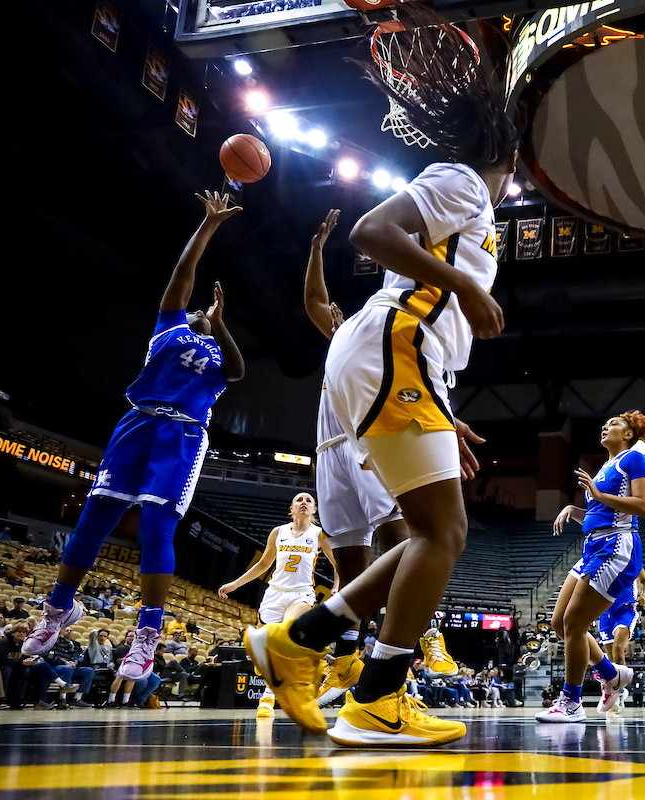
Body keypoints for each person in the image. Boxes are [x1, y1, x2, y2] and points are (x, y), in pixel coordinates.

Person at [243, 7, 518, 746]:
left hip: (399, 358)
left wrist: (444, 412)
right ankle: (377, 697)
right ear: (507, 159)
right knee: (443, 531)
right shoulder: (464, 182)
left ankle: (301, 640)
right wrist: (465, 288)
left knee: (428, 530)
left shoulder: (469, 199)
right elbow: (372, 233)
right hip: (393, 346)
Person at [23, 191, 245, 683]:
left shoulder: (216, 357)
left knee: (155, 530)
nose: (198, 312)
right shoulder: (168, 329)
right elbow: (183, 274)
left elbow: (238, 371)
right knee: (93, 520)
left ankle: (147, 635)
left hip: (181, 435)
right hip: (138, 422)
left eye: (205, 316)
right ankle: (58, 609)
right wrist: (208, 225)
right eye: (197, 311)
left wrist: (222, 325)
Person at [302, 209, 460, 706]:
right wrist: (316, 251)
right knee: (352, 567)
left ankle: (424, 638)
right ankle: (347, 658)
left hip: (370, 441)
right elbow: (314, 301)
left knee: (404, 539)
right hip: (329, 453)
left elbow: (322, 304)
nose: (335, 317)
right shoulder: (343, 344)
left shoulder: (377, 341)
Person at [537, 411, 645, 723]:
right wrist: (574, 509)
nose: (606, 426)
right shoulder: (603, 467)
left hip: (617, 545)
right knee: (560, 624)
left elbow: (643, 506)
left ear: (629, 434)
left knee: (575, 623)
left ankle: (571, 703)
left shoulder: (634, 460)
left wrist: (598, 494)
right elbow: (599, 514)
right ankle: (611, 674)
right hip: (593, 545)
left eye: (614, 423)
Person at [219, 492, 339, 718]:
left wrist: (337, 585)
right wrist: (235, 584)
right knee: (269, 648)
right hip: (274, 593)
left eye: (308, 501)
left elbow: (337, 562)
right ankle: (269, 675)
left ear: (314, 510)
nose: (303, 503)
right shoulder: (278, 532)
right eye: (299, 500)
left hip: (301, 593)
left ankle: (267, 698)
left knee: (285, 633)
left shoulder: (318, 534)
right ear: (291, 508)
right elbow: (263, 564)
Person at [596, 570, 645, 713]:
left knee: (618, 649)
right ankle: (620, 691)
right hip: (605, 611)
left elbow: (644, 581)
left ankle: (617, 693)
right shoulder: (603, 563)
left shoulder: (632, 560)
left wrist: (643, 595)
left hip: (626, 609)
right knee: (611, 657)